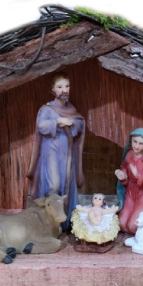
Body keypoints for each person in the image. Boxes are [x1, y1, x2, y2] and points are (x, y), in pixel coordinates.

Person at [26, 72, 85, 227]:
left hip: (67, 153)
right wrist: (58, 121)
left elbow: (79, 124)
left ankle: (65, 222)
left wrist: (72, 123)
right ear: (52, 89)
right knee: (55, 184)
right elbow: (41, 126)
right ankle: (49, 221)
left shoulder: (71, 109)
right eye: (60, 87)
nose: (64, 90)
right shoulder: (47, 109)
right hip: (51, 150)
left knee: (67, 182)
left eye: (67, 86)